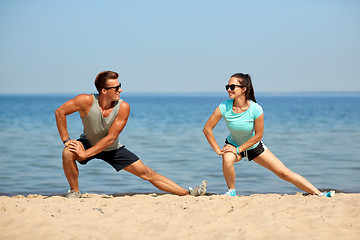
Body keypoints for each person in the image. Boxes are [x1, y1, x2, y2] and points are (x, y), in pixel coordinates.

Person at [55, 70, 207, 198]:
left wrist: (85, 154)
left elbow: (110, 138)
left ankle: (187, 193)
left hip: (111, 148)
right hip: (88, 142)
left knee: (146, 172)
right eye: (116, 88)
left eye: (120, 86)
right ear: (104, 91)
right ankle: (74, 192)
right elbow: (60, 112)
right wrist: (66, 140)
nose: (120, 90)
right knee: (68, 152)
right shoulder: (85, 101)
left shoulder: (123, 107)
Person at [203, 73, 334, 197]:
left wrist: (238, 149)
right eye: (227, 87)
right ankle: (231, 191)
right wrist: (218, 150)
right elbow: (207, 129)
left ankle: (319, 194)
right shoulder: (224, 107)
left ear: (243, 89)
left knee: (284, 173)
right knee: (227, 159)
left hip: (254, 147)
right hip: (233, 145)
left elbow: (258, 136)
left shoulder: (256, 109)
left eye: (232, 87)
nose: (229, 90)